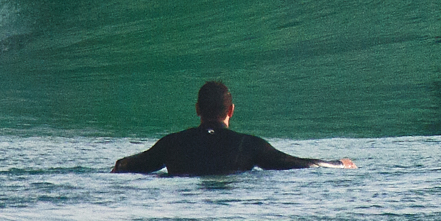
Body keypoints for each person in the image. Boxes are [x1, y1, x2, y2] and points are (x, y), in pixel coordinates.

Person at [111, 80, 354, 175]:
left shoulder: (172, 143)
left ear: (197, 109)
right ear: (231, 111)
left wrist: (119, 165)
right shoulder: (247, 145)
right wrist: (338, 164)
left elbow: (127, 166)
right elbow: (296, 163)